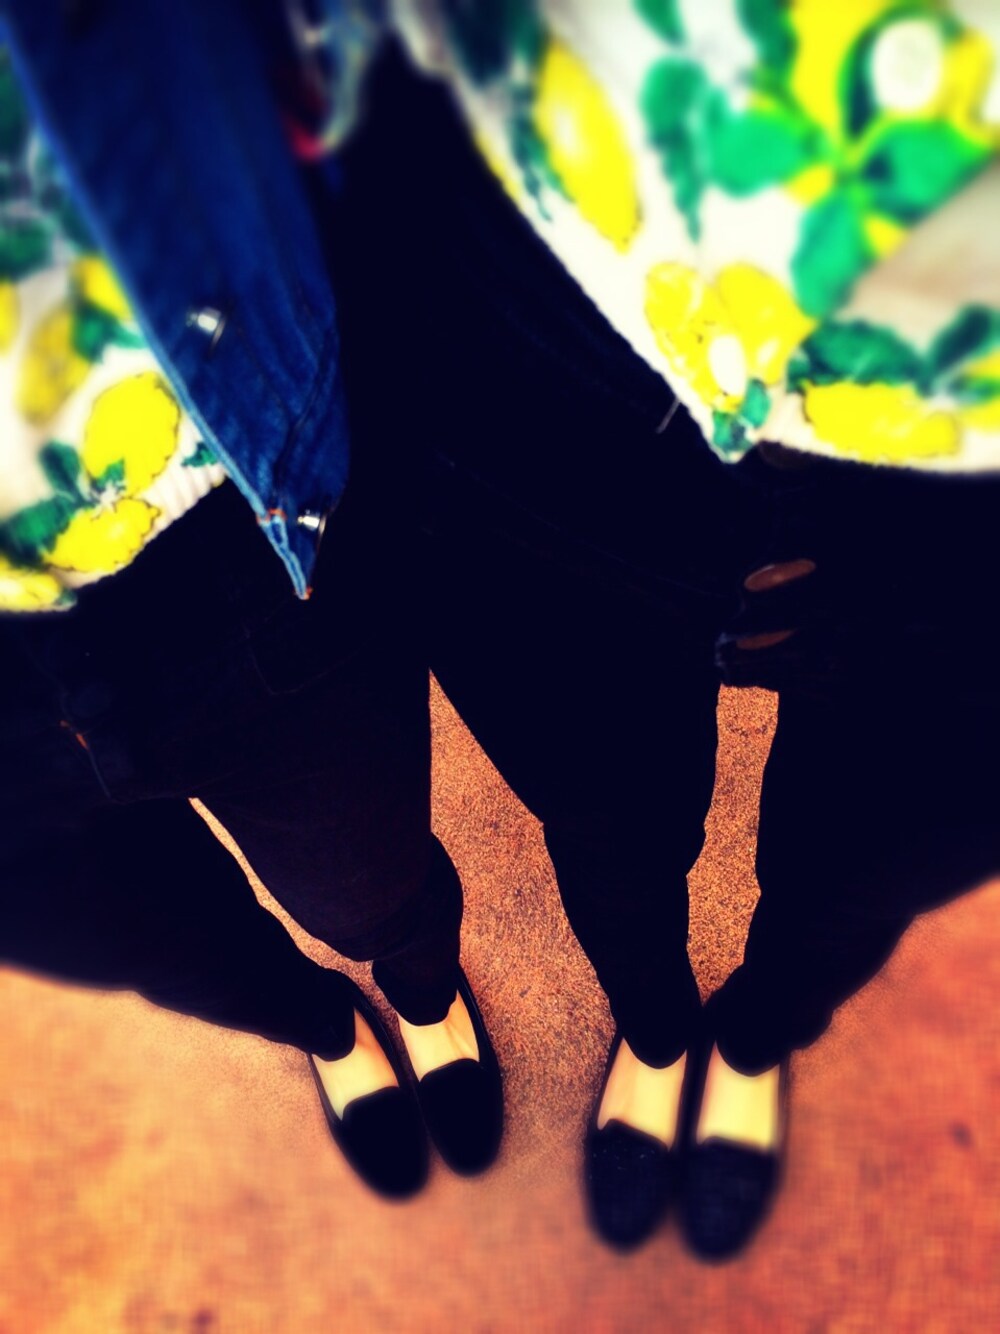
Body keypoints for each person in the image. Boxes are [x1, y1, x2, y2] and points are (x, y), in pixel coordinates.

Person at [315, 0, 1000, 1258]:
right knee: (604, 811)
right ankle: (658, 1026)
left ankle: (754, 1038)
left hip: (973, 453)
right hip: (550, 282)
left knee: (872, 862)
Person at [0, 7, 503, 1200]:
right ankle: (318, 1021)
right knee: (155, 944)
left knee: (367, 871)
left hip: (192, 512)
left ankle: (418, 982)